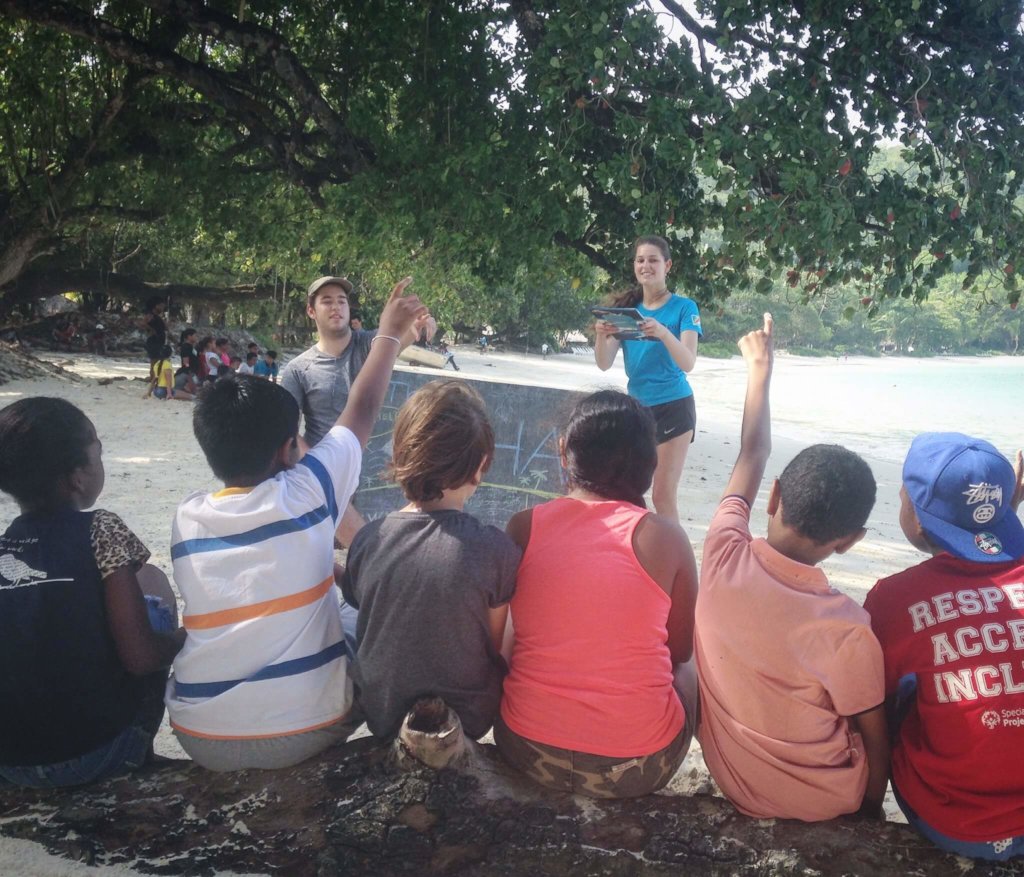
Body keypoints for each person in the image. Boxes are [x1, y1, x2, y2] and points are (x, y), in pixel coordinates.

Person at [164, 277, 426, 771]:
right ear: (291, 450)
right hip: (305, 731)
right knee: (361, 614)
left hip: (197, 733)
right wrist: (390, 334)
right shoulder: (308, 491)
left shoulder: (187, 516)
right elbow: (363, 410)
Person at [694, 313, 888, 822]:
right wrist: (870, 810)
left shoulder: (722, 549)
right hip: (828, 800)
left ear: (775, 495)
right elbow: (876, 735)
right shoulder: (847, 628)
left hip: (736, 781)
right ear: (849, 543)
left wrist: (760, 370)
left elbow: (752, 452)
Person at [495, 389, 699, 798]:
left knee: (524, 634)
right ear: (650, 464)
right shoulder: (668, 539)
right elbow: (677, 653)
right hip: (637, 767)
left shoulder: (523, 526)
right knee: (692, 667)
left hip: (524, 747)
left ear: (563, 451)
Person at [0, 398, 184, 787]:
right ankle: (141, 755)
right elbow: (140, 658)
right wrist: (183, 639)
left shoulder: (4, 547)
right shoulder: (102, 528)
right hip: (96, 756)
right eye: (97, 454)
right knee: (151, 581)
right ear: (78, 477)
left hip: (9, 765)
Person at [863, 434, 1024, 860]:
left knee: (903, 678)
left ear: (915, 517)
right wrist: (997, 517)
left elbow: (872, 701)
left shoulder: (894, 598)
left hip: (952, 821)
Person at [341, 381, 520, 740]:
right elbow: (494, 641)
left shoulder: (368, 539)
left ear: (400, 456)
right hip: (467, 721)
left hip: (383, 716)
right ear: (481, 466)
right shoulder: (495, 549)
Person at [281, 276, 435, 547]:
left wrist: (421, 323)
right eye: (326, 301)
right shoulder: (297, 369)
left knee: (380, 546)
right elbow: (288, 430)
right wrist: (317, 471)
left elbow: (400, 335)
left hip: (376, 473)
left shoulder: (371, 345)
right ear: (311, 311)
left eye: (342, 301)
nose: (336, 307)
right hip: (327, 477)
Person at [594, 235, 702, 522]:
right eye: (640, 260)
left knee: (662, 495)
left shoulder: (684, 308)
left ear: (667, 266)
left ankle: (677, 563)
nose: (646, 266)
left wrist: (664, 333)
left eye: (653, 260)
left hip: (674, 406)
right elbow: (604, 364)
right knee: (627, 489)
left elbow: (688, 362)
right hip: (638, 410)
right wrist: (601, 334)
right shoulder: (627, 311)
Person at [140, 297, 168, 378]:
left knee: (159, 361)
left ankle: (156, 378)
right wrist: (152, 330)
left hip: (159, 341)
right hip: (154, 341)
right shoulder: (150, 315)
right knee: (154, 361)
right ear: (156, 306)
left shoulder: (158, 317)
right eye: (161, 306)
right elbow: (142, 323)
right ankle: (153, 379)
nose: (163, 308)